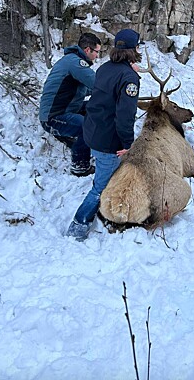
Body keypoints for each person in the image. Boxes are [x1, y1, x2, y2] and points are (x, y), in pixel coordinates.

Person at [66, 28, 141, 241]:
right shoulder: (129, 78)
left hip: (93, 132)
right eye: (137, 46)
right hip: (109, 141)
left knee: (105, 175)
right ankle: (78, 225)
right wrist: (128, 142)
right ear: (133, 49)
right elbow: (125, 115)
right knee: (100, 186)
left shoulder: (105, 68)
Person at [39, 32, 102, 176]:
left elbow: (83, 90)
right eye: (97, 52)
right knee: (86, 126)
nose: (97, 56)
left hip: (67, 107)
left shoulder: (72, 61)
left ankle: (90, 143)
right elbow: (97, 84)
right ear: (87, 50)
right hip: (53, 116)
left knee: (95, 107)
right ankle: (80, 166)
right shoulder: (76, 63)